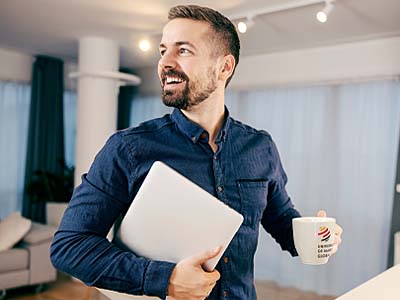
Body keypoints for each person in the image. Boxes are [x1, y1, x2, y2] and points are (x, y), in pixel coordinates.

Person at [50, 5, 343, 300]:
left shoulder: (260, 147)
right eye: (163, 51)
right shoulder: (127, 149)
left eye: (183, 50)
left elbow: (281, 221)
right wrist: (165, 279)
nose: (165, 62)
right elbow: (69, 246)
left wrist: (316, 237)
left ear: (224, 67)